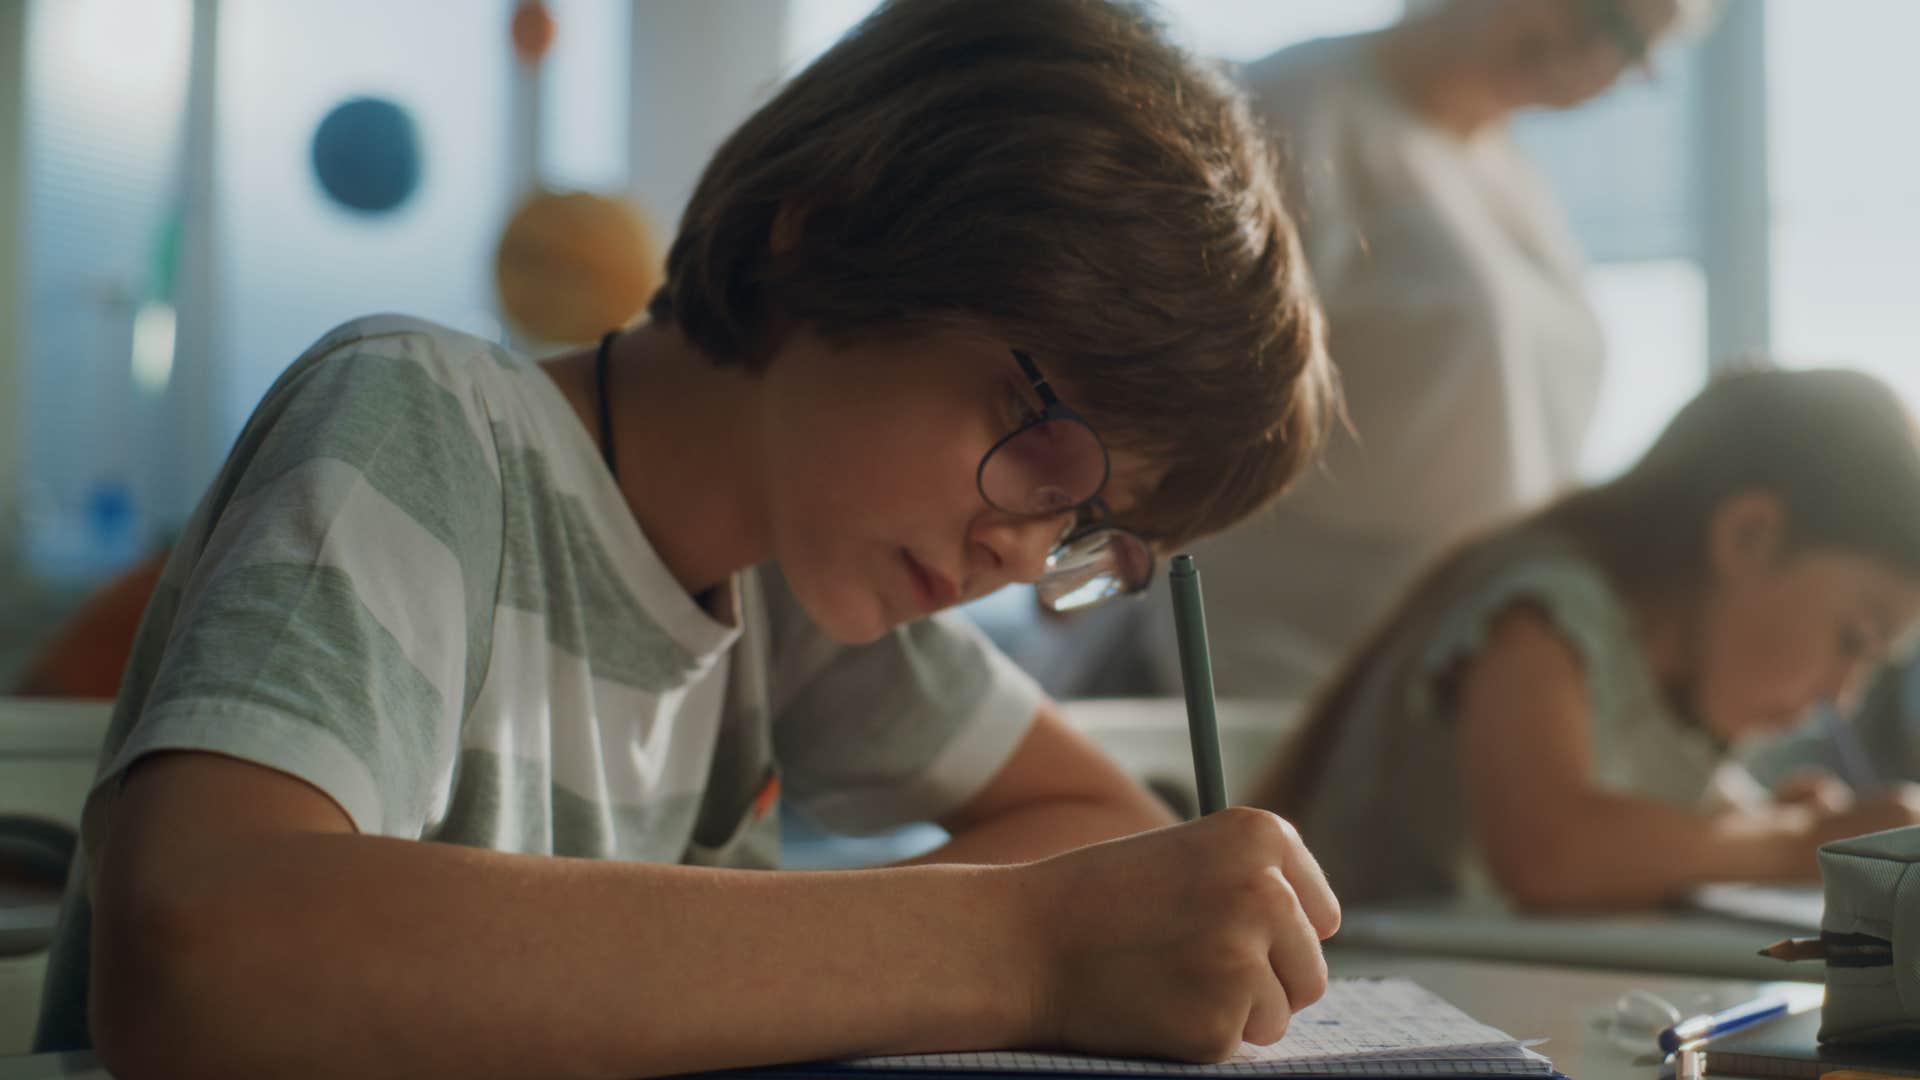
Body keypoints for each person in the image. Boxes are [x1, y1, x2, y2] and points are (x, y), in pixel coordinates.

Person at [34, 1, 1345, 1075]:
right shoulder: (421, 428)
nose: (1023, 542)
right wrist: (1017, 950)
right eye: (1043, 437)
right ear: (828, 228)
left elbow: (1092, 823)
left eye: (1088, 525)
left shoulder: (791, 586)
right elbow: (210, 956)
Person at [1133, 0, 1708, 704]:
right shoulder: (1286, 108)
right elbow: (1174, 376)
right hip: (1279, 643)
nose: (1592, 55)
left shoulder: (1512, 175)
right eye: (1598, 12)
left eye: (1632, 49)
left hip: (1451, 651)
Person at [1247, 367, 1920, 912]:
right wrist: (1802, 844)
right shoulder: (1542, 612)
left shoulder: (1673, 694)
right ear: (1750, 536)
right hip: (1349, 1002)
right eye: (1854, 638)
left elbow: (1673, 835)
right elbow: (1551, 851)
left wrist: (1776, 823)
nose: (1843, 692)